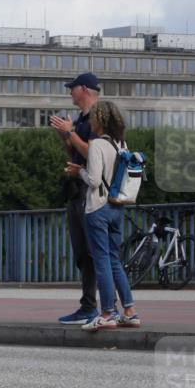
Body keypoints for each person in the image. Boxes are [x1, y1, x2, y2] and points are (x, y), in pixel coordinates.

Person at [64, 101, 141, 331]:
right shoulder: (121, 144)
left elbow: (94, 180)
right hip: (116, 207)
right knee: (115, 260)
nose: (91, 122)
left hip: (97, 208)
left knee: (101, 262)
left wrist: (79, 172)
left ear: (100, 120)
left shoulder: (97, 144)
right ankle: (129, 311)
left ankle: (107, 313)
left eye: (94, 118)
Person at [50, 72, 101, 325]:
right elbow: (75, 153)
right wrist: (65, 136)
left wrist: (71, 133)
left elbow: (93, 153)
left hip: (89, 192)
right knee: (82, 253)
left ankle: (103, 308)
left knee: (93, 252)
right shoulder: (82, 119)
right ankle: (89, 305)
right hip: (77, 190)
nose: (70, 92)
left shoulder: (99, 117)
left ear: (85, 89)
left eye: (73, 88)